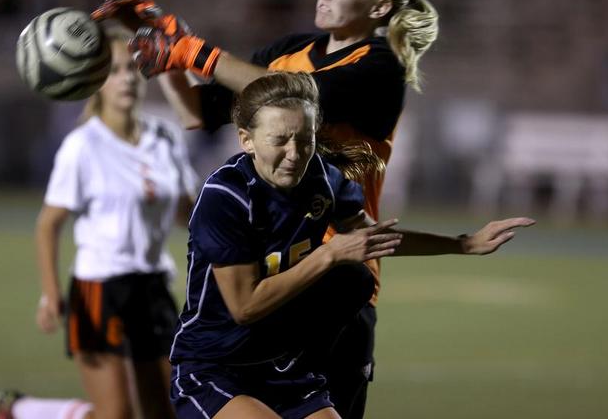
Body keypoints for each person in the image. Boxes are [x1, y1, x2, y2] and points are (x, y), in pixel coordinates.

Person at [89, 0, 531, 418]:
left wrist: (190, 50)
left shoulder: (380, 69)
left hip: (333, 296)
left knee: (350, 288)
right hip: (264, 286)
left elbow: (299, 93)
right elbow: (198, 112)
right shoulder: (287, 55)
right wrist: (168, 43)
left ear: (378, 5)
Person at [167, 71, 533, 419]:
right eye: (279, 140)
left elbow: (370, 238)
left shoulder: (322, 179)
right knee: (343, 272)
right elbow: (245, 306)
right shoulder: (226, 196)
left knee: (354, 279)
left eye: (305, 139)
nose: (295, 153)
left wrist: (463, 244)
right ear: (247, 139)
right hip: (214, 366)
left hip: (279, 366)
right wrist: (328, 253)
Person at [0, 23, 198, 419]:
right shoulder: (83, 145)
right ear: (96, 79)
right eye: (115, 70)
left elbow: (187, 213)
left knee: (168, 411)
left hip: (154, 288)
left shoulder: (166, 136)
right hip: (98, 291)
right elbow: (48, 224)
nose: (127, 79)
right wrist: (51, 293)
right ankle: (25, 411)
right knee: (115, 414)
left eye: (134, 68)